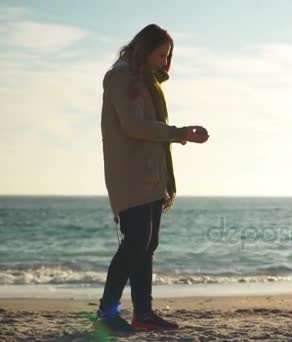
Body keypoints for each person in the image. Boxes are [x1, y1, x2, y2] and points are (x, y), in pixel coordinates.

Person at [95, 24, 208, 334]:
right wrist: (180, 134)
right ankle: (107, 312)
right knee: (134, 243)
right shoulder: (120, 77)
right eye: (161, 55)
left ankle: (143, 313)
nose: (165, 62)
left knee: (147, 244)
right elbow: (135, 126)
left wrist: (178, 136)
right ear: (145, 50)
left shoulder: (146, 81)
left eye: (168, 56)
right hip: (129, 174)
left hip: (152, 174)